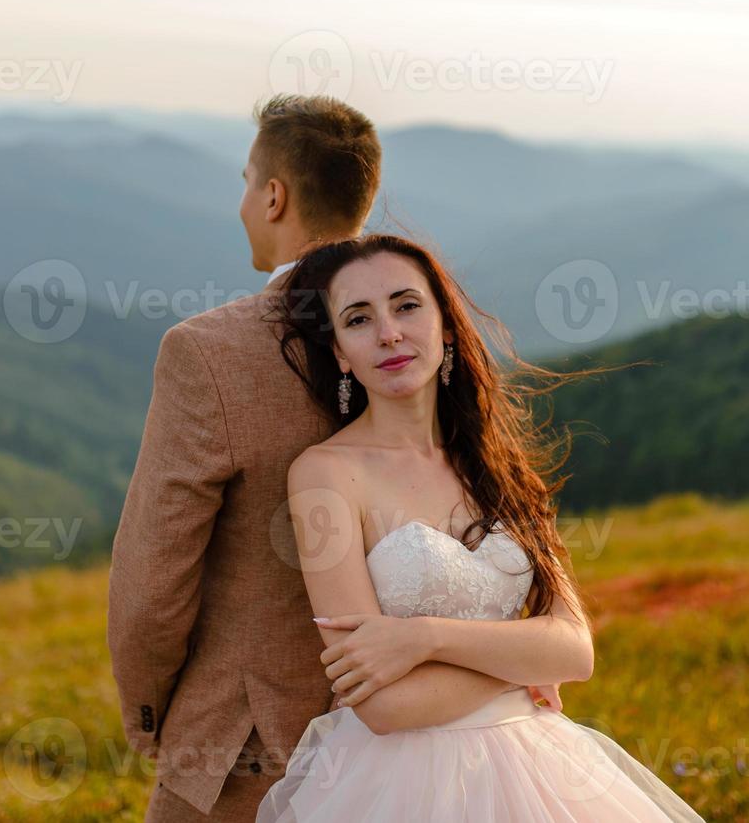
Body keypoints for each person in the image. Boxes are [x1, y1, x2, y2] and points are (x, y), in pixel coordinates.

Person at [255, 233, 705, 821]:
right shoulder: (324, 476)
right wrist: (522, 670)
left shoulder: (496, 461)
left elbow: (574, 648)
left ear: (445, 325)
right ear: (340, 352)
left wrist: (425, 639)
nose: (389, 332)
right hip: (397, 785)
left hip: (538, 765)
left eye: (407, 305)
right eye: (359, 319)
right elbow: (385, 705)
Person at [107, 94, 383, 822]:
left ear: (273, 196)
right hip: (408, 734)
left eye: (243, 183)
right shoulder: (426, 339)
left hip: (248, 743)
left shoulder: (207, 353)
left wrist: (153, 712)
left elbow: (153, 576)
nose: (241, 204)